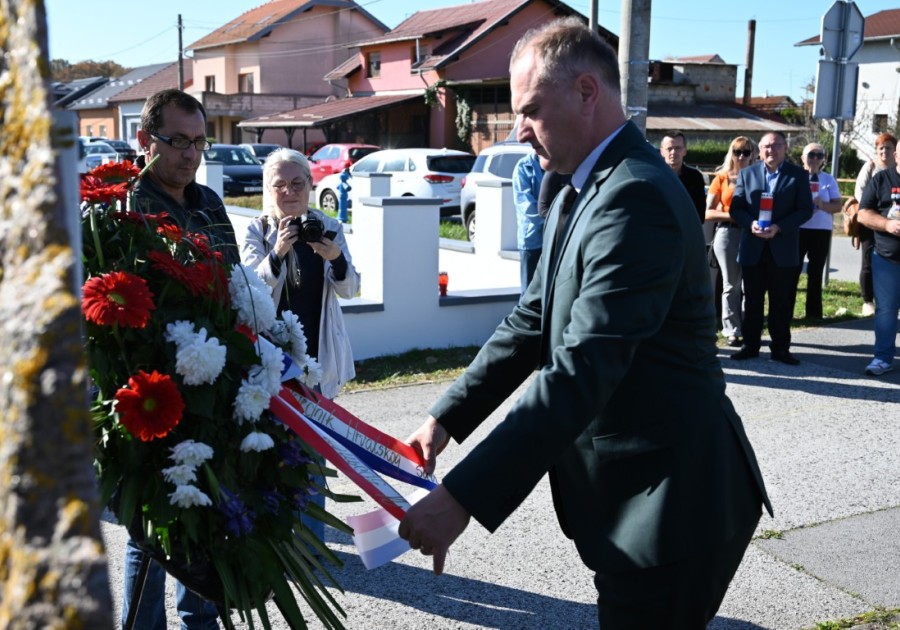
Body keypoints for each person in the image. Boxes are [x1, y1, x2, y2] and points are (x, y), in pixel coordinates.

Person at [397, 17, 771, 628]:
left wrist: (462, 498)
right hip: (634, 505)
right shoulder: (579, 186)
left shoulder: (636, 197)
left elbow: (580, 370)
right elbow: (534, 317)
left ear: (587, 93)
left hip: (671, 507)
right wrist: (446, 417)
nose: (519, 129)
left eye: (531, 109)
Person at [123, 88, 233, 630]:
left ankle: (202, 623)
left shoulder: (211, 204)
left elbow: (234, 288)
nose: (189, 155)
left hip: (212, 385)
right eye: (177, 141)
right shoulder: (121, 208)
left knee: (205, 508)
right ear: (147, 140)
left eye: (198, 142)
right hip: (149, 390)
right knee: (152, 526)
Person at [239, 148, 360, 541]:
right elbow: (247, 290)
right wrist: (278, 251)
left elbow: (351, 289)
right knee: (271, 453)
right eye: (280, 185)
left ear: (310, 186)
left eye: (297, 183)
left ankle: (311, 541)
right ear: (267, 189)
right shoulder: (256, 230)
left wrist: (335, 256)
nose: (289, 191)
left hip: (317, 361)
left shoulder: (328, 226)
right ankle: (276, 538)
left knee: (313, 454)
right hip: (270, 361)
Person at [729, 131, 813, 365]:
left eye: (776, 146)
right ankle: (750, 345)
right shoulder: (747, 174)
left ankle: (780, 349)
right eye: (766, 146)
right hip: (753, 246)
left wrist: (779, 227)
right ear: (760, 150)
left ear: (785, 148)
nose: (770, 150)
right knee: (752, 300)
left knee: (781, 301)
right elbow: (736, 208)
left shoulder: (798, 175)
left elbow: (805, 210)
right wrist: (751, 223)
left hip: (783, 247)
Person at [706, 136, 756, 346]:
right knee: (731, 284)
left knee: (751, 283)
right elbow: (708, 212)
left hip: (754, 233)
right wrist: (733, 216)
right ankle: (731, 329)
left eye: (746, 151)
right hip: (728, 233)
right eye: (737, 151)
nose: (742, 156)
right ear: (731, 153)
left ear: (753, 154)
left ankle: (750, 326)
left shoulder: (759, 177)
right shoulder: (722, 177)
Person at [857, 142, 900, 376]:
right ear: (896, 155)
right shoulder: (881, 180)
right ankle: (883, 358)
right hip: (887, 258)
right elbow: (863, 214)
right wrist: (887, 224)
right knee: (886, 310)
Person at [793, 143, 843, 320]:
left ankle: (813, 314)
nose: (815, 159)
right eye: (811, 155)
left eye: (819, 155)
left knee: (816, 273)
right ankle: (786, 313)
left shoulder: (828, 180)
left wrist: (822, 204)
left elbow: (838, 206)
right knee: (792, 271)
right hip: (798, 229)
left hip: (820, 230)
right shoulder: (795, 176)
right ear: (802, 157)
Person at [854, 132, 897, 317]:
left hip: (893, 232)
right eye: (881, 148)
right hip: (871, 223)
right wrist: (877, 214)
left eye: (888, 147)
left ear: (894, 152)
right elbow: (860, 192)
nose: (884, 151)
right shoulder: (871, 168)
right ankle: (868, 300)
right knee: (868, 261)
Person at [512, 151, 545, 291]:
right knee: (528, 293)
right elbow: (527, 206)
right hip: (531, 242)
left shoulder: (555, 164)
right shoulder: (523, 167)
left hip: (552, 240)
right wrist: (552, 220)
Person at [660, 130, 706, 223]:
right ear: (661, 151)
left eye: (678, 148)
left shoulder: (695, 177)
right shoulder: (654, 176)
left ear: (685, 151)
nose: (673, 152)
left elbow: (700, 215)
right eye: (669, 148)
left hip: (686, 231)